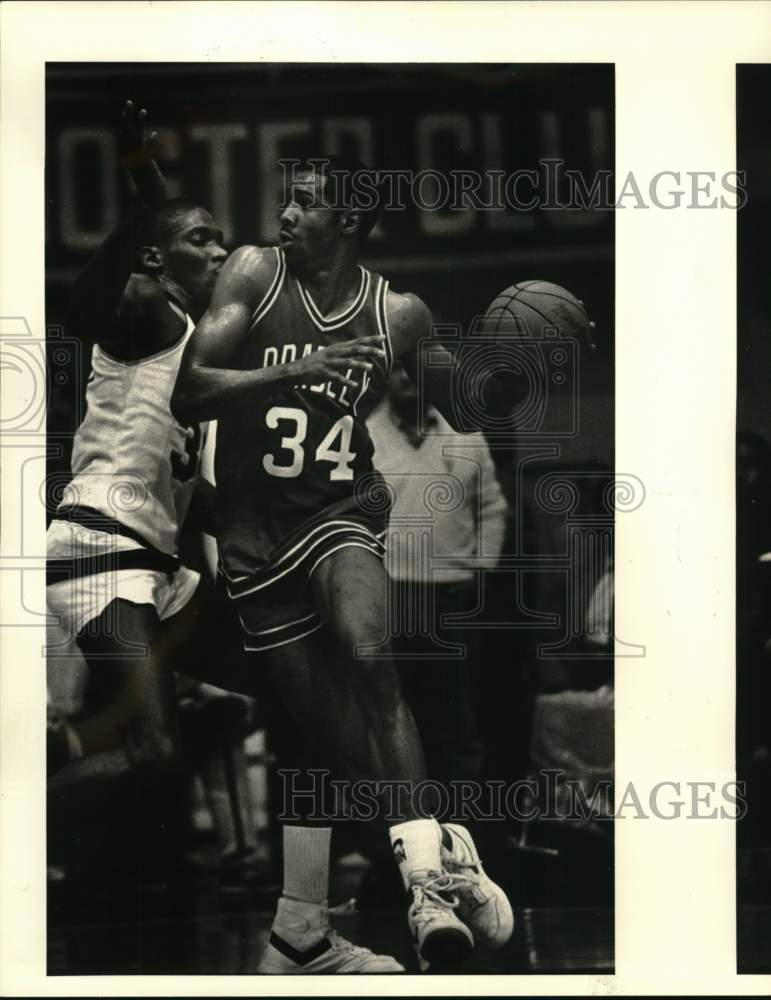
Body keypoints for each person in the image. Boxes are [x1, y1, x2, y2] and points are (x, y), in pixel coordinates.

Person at [172, 157, 517, 973]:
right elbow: (191, 387)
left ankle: (425, 885)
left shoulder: (397, 312)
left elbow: (459, 399)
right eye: (286, 200)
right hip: (255, 543)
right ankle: (444, 847)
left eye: (305, 203)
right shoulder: (255, 272)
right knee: (338, 742)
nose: (285, 214)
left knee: (372, 658)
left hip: (339, 514)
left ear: (350, 221)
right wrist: (293, 370)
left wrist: (524, 359)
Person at [46, 100, 227, 777]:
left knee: (279, 680)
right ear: (156, 258)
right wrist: (140, 195)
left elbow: (190, 493)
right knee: (157, 750)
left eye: (220, 239)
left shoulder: (200, 352)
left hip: (156, 562)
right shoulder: (149, 307)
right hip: (102, 549)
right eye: (202, 239)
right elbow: (81, 308)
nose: (221, 250)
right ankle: (35, 788)